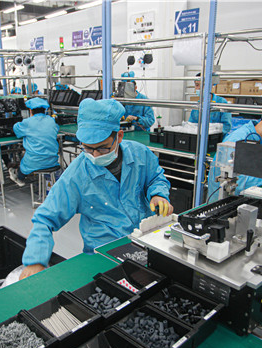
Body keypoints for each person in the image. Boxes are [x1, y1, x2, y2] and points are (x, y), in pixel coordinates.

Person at [20, 98, 173, 279]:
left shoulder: (140, 154)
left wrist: (158, 194)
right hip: (103, 255)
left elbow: (155, 177)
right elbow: (45, 218)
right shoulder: (76, 175)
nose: (94, 155)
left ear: (119, 136)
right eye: (87, 148)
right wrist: (35, 261)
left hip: (145, 241)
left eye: (102, 149)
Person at [8, 98, 60, 187]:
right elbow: (56, 129)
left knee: (27, 163)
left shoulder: (28, 122)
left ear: (30, 110)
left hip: (34, 162)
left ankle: (19, 178)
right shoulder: (51, 120)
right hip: (52, 161)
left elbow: (16, 129)